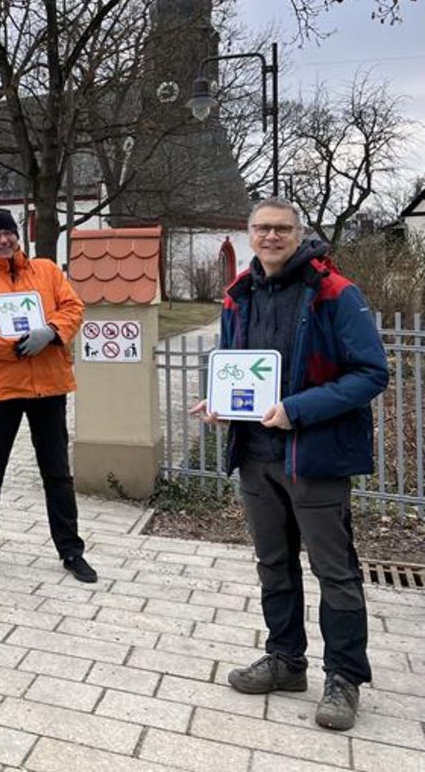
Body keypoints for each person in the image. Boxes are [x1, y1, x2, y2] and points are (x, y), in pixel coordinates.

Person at [191, 197, 388, 732]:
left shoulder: (334, 293)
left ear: (299, 234)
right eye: (262, 228)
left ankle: (344, 678)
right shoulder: (238, 297)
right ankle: (286, 661)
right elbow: (236, 369)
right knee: (273, 566)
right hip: (256, 457)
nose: (271, 237)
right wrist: (218, 404)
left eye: (282, 228)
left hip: (316, 457)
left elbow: (371, 372)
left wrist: (297, 410)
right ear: (248, 233)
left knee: (335, 571)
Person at [0, 209, 96, 582]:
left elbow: (73, 308)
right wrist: (15, 347)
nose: (3, 240)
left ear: (18, 236)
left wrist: (50, 332)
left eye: (8, 233)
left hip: (48, 385)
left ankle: (70, 550)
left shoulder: (47, 271)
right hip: (1, 388)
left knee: (57, 473)